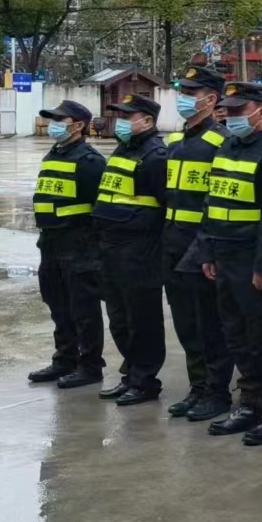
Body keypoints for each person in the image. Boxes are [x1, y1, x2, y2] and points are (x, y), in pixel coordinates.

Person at [196, 82, 262, 440]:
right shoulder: (227, 146)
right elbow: (212, 201)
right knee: (235, 334)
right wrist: (207, 251)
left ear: (260, 112)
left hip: (252, 259)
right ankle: (249, 402)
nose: (230, 117)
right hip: (224, 255)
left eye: (238, 111)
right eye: (228, 111)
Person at [162, 67, 234, 421]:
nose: (184, 99)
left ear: (211, 99)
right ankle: (198, 386)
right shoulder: (175, 141)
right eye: (183, 92)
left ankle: (217, 391)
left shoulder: (222, 142)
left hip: (202, 246)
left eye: (192, 94)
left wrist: (210, 249)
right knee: (186, 323)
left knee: (210, 324)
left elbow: (218, 201)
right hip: (172, 242)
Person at [92, 92, 170, 406]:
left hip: (140, 251)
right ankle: (131, 374)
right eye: (120, 116)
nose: (120, 122)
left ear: (147, 121)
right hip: (111, 248)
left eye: (127, 117)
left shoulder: (156, 156)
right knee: (119, 318)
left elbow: (165, 206)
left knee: (142, 320)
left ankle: (145, 380)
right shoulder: (123, 149)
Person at [27, 100, 109, 389]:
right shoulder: (54, 154)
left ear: (78, 126)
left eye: (60, 121)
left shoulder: (90, 161)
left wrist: (94, 248)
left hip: (79, 245)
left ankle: (90, 366)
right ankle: (65, 359)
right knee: (58, 305)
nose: (54, 125)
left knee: (83, 309)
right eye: (53, 120)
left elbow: (100, 209)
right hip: (50, 243)